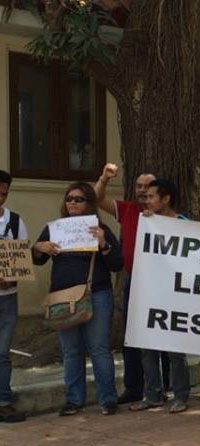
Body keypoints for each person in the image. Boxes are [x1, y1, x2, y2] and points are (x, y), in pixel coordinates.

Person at [32, 182, 122, 416]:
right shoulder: (54, 228)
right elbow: (37, 259)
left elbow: (117, 264)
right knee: (71, 351)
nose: (71, 202)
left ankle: (108, 399)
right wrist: (39, 247)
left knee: (99, 348)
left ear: (90, 203)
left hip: (96, 294)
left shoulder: (100, 228)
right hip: (62, 297)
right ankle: (74, 400)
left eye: (78, 199)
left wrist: (103, 243)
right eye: (69, 198)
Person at [95, 165, 171, 403]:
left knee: (164, 335)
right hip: (134, 280)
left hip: (161, 283)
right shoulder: (128, 210)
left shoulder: (168, 217)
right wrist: (105, 179)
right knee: (133, 335)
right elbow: (97, 199)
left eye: (147, 186)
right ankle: (134, 388)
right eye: (138, 186)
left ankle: (165, 386)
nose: (142, 190)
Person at [128, 179, 192, 414]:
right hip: (149, 290)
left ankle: (181, 394)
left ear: (166, 199)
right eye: (145, 197)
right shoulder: (146, 222)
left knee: (175, 349)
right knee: (148, 346)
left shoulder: (183, 224)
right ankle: (153, 394)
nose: (147, 200)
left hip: (175, 294)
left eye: (152, 196)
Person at [0, 170, 29, 423]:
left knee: (2, 351)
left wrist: (11, 277)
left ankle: (3, 400)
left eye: (4, 194)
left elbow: (22, 261)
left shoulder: (15, 222)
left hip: (7, 296)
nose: (0, 198)